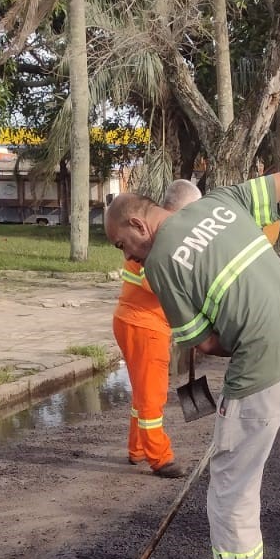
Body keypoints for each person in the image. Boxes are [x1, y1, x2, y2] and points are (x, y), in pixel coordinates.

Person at [105, 173, 280, 559]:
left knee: (233, 477)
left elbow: (206, 343)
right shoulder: (222, 201)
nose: (129, 258)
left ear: (138, 226)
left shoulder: (158, 264)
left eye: (123, 245)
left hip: (263, 366)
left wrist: (247, 332)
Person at [111, 180, 201, 479]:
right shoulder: (158, 239)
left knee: (141, 390)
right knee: (152, 395)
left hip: (135, 320)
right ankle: (159, 457)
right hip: (144, 325)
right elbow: (162, 283)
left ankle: (137, 449)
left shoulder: (156, 234)